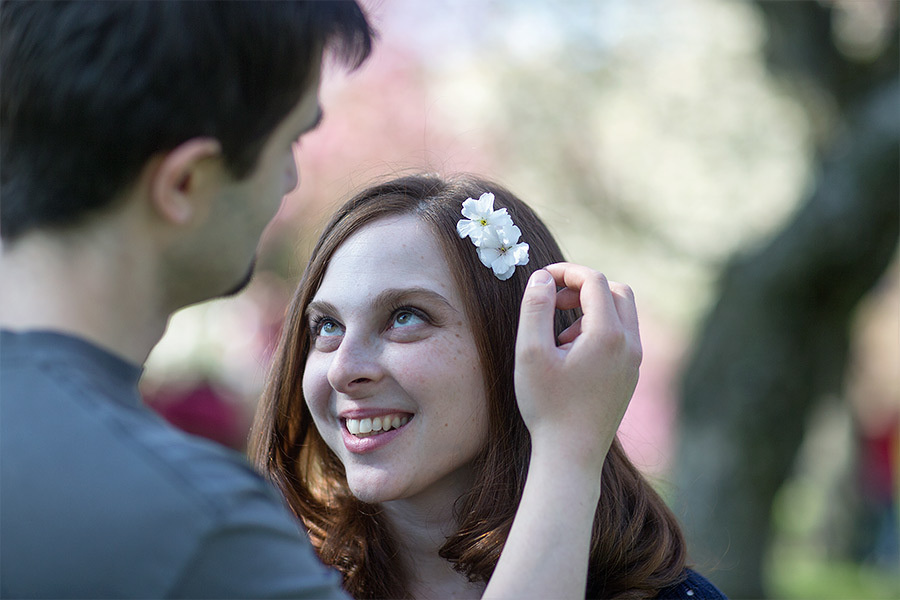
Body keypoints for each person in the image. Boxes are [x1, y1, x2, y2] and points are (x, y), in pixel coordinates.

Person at [0, 3, 676, 599]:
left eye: (406, 316)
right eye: (289, 141)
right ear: (185, 182)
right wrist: (568, 449)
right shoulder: (193, 528)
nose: (293, 180)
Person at [251, 174, 728, 599]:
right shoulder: (262, 580)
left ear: (517, 344)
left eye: (405, 316)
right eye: (327, 326)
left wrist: (569, 444)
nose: (342, 370)